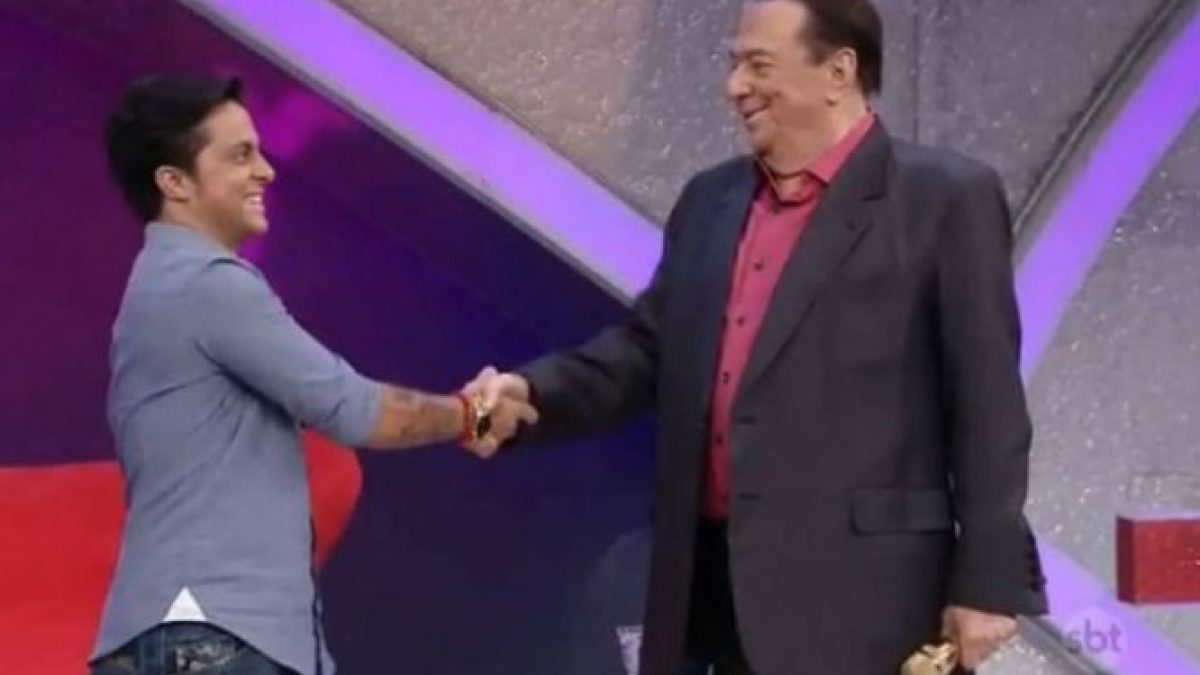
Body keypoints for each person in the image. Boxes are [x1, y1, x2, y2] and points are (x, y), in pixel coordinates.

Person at [466, 1, 1048, 672]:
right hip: (715, 594)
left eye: (758, 65)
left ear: (838, 72)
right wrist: (531, 394)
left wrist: (987, 583)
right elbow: (649, 352)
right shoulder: (709, 202)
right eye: (734, 64)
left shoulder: (942, 198)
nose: (734, 86)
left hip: (870, 603)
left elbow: (988, 404)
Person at [89, 75, 536, 675]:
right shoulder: (207, 285)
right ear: (175, 183)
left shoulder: (158, 287)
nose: (266, 171)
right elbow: (357, 411)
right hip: (214, 632)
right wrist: (474, 415)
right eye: (240, 155)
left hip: (178, 632)